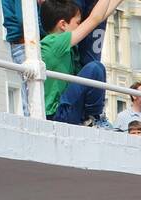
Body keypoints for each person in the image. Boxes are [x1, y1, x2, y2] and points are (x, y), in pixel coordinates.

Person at [39, 0, 121, 128]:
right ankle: (94, 117)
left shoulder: (64, 46)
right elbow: (94, 19)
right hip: (58, 114)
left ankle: (90, 118)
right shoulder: (54, 43)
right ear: (63, 25)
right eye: (78, 23)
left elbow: (99, 19)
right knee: (95, 68)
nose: (80, 26)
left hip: (64, 111)